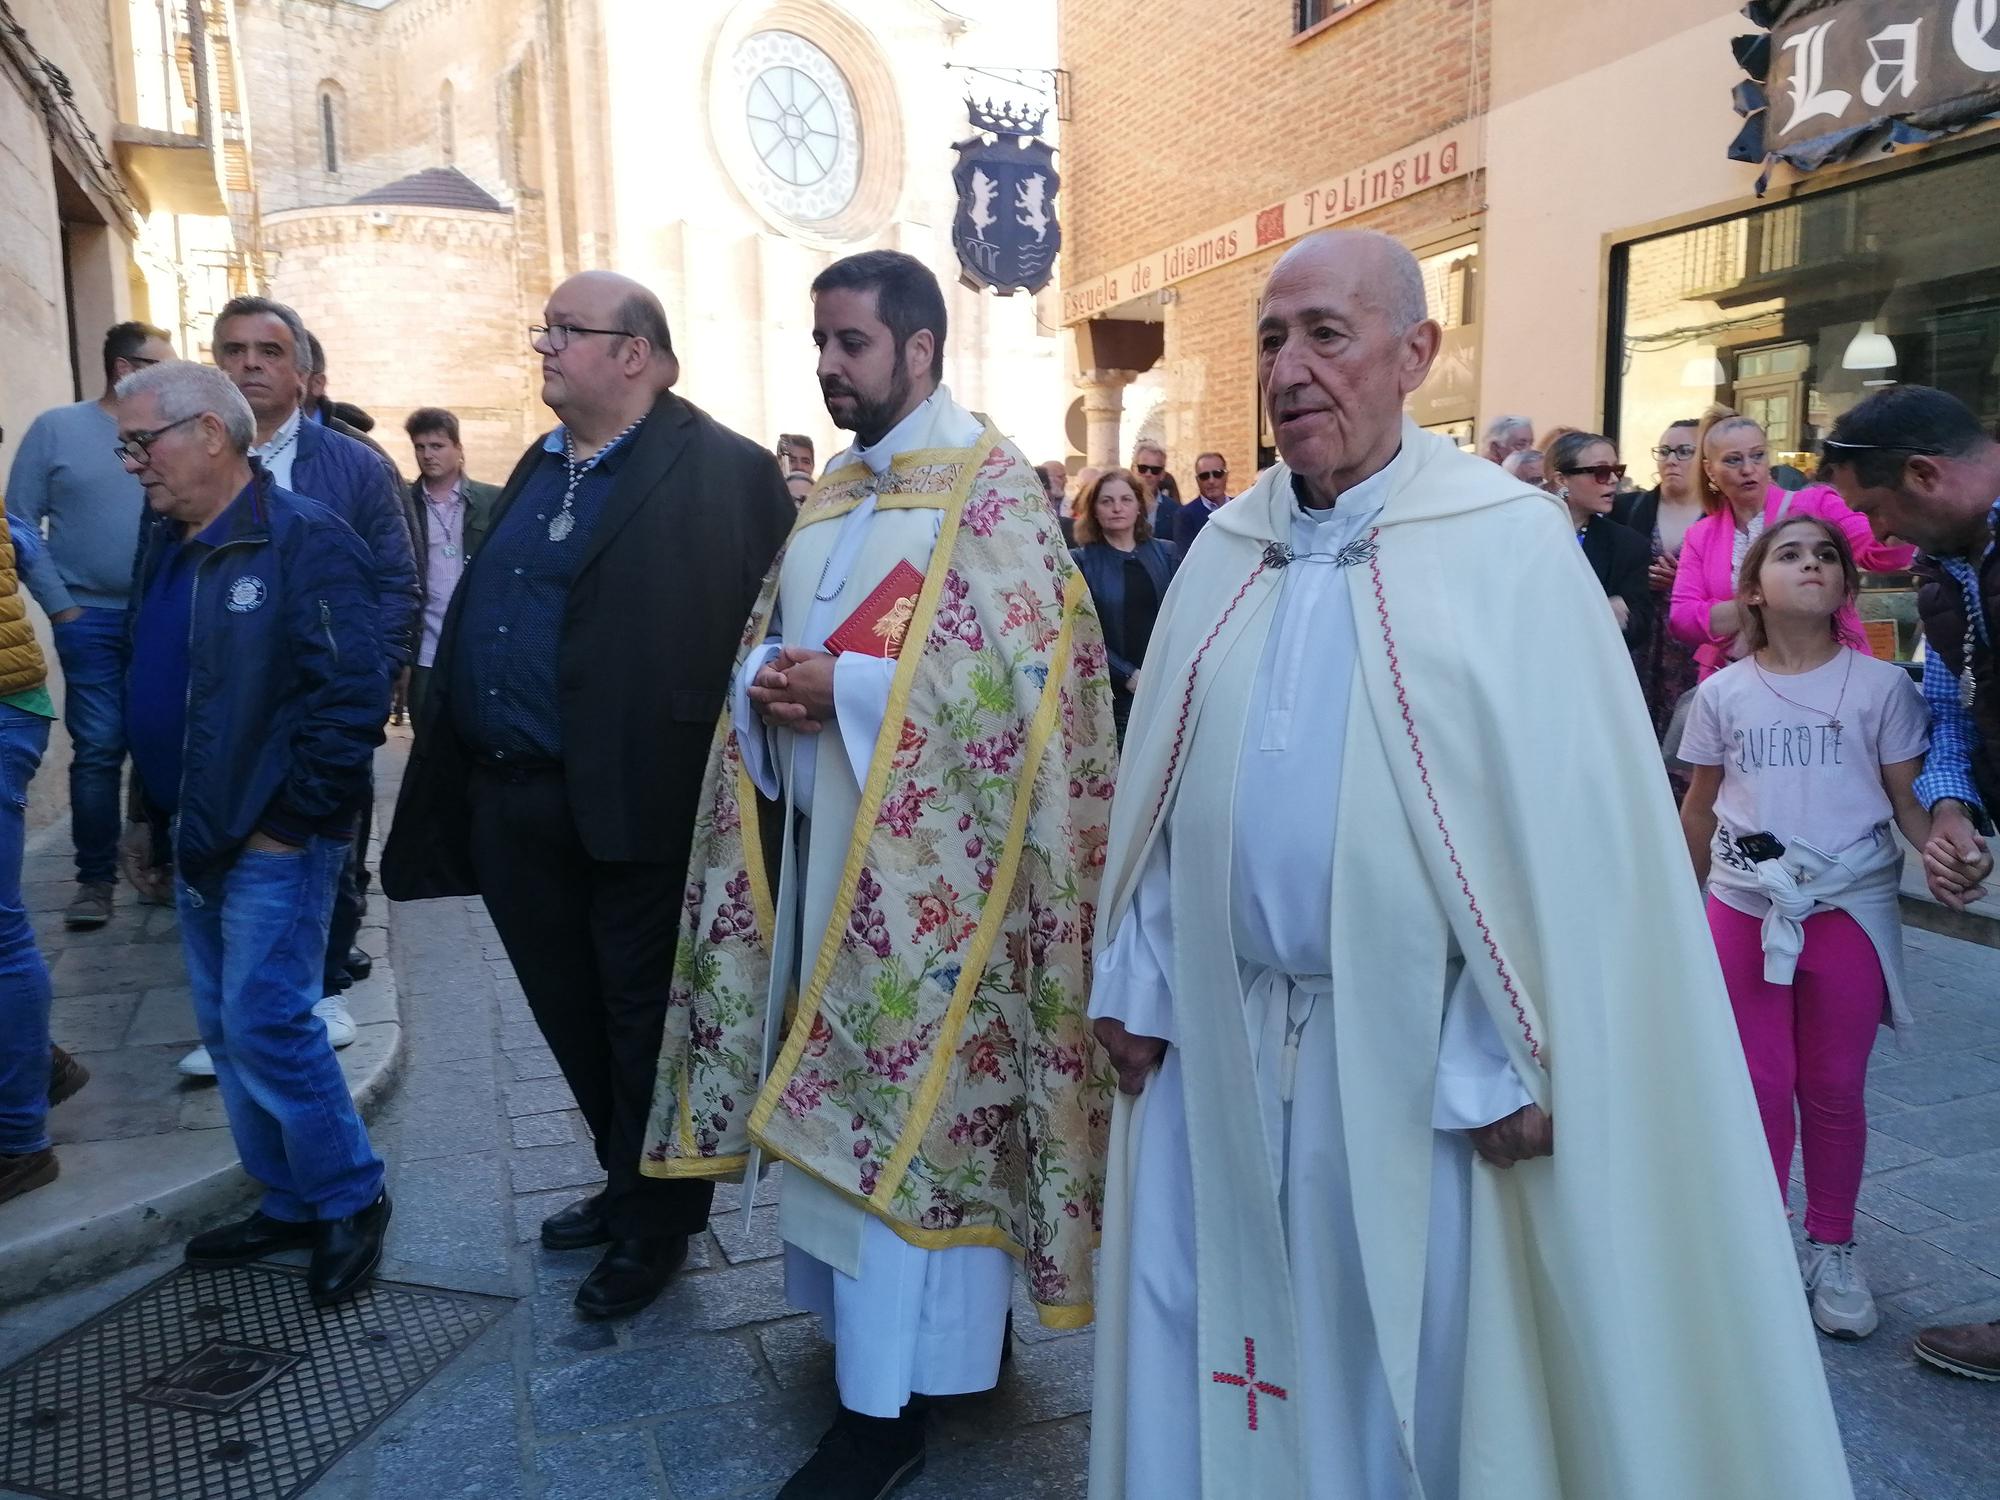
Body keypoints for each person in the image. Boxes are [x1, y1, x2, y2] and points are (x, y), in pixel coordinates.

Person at [1085, 228, 1850, 1499]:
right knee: (1218, 1337)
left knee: (1409, 1367)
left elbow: (1572, 841)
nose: (1290, 368)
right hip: (1222, 1042)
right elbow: (1166, 802)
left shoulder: (1506, 545)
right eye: (1271, 338)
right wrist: (1138, 968)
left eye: (1326, 334)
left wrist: (1517, 1044)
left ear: (1413, 354)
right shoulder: (1224, 548)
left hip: (1412, 1061)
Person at [641, 249, 1115, 1499]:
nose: (827, 365)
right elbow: (769, 648)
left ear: (917, 346)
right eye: (820, 342)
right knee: (847, 1120)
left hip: (936, 913)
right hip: (823, 876)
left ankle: (882, 1412)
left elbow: (1038, 693)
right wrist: (769, 690)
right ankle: (905, 1356)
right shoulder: (834, 494)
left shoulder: (992, 493)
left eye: (850, 343)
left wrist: (845, 688)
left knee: (906, 1126)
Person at [382, 272, 793, 1321]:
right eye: (545, 329)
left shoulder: (726, 469)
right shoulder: (540, 463)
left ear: (638, 354)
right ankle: (624, 1183)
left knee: (639, 1021)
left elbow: (768, 625)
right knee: (566, 1012)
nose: (544, 347)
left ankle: (657, 1225)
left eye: (568, 331)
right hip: (512, 800)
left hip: (640, 802)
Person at [118, 361, 391, 1305]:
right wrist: (145, 817)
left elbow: (353, 696)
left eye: (141, 441)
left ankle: (352, 1197)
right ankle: (288, 1198)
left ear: (210, 434)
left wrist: (290, 825)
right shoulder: (164, 540)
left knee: (273, 1026)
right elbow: (150, 683)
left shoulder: (305, 539)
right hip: (193, 833)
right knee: (229, 1031)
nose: (131, 464)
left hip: (271, 839)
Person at [1677, 515, 1929, 1343]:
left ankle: (1833, 1245)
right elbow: (1702, 804)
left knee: (1832, 1083)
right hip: (1745, 903)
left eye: (1826, 556)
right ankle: (1755, 1247)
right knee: (1757, 1082)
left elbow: (1906, 807)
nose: (1811, 565)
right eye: (1790, 555)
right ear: (1754, 587)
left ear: (1845, 588)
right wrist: (1679, 902)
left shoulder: (1884, 688)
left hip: (1847, 907)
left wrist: (1948, 845)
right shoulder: (1720, 694)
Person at [1817, 382, 2000, 1381]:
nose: (1871, 534)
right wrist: (1949, 811)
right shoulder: (1946, 564)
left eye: (1877, 509)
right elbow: (1946, 703)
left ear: (1925, 475)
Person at [201, 295, 421, 1076]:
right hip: (225, 697)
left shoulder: (355, 467)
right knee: (224, 840)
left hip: (325, 696)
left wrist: (369, 681)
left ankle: (322, 980)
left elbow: (397, 581)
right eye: (233, 351)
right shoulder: (191, 461)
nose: (250, 365)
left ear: (303, 373)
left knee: (327, 832)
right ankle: (242, 999)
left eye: (267, 351)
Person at [6, 320, 175, 931]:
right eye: (163, 363)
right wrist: (63, 610)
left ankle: (165, 864)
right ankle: (94, 882)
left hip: (163, 615)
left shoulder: (167, 432)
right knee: (101, 750)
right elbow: (18, 525)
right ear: (126, 369)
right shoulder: (57, 429)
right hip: (91, 620)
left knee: (170, 741)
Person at [1669, 411, 1910, 684]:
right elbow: (1682, 620)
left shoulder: (1816, 504)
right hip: (1738, 681)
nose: (1748, 469)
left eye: (1757, 455)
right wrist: (1767, 602)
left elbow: (1882, 553)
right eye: (1733, 460)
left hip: (1827, 675)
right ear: (1710, 470)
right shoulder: (1701, 535)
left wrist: (1901, 508)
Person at [0, 459, 69, 1205]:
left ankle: (20, 1140)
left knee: (0, 932)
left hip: (1, 711)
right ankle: (32, 1059)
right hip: (14, 705)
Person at [1612, 420, 1706, 758]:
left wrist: (1686, 579)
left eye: (1684, 452)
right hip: (1638, 641)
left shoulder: (1719, 516)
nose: (1671, 460)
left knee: (1688, 741)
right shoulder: (1628, 509)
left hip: (1693, 650)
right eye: (1664, 451)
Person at [402, 407, 500, 724]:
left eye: (437, 446)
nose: (428, 455)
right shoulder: (402, 503)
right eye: (420, 447)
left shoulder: (492, 501)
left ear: (459, 449)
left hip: (477, 650)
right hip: (425, 651)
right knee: (428, 745)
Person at [1073, 468, 1178, 742]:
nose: (1117, 507)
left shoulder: (1167, 553)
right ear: (1093, 509)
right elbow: (1079, 633)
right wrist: (1126, 674)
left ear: (1139, 506)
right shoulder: (1081, 563)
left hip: (1165, 688)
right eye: (1106, 501)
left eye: (1126, 499)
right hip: (1113, 696)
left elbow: (1184, 618)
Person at [1547, 430, 1650, 647]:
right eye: (1602, 471)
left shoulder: (1627, 545)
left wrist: (1623, 620)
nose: (1613, 480)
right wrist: (1597, 612)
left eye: (1617, 470)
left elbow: (1639, 627)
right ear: (1561, 480)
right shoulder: (1524, 534)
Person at [1173, 452, 1230, 550]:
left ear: (1226, 475)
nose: (1211, 481)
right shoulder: (1185, 516)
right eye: (1204, 476)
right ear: (1197, 480)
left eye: (1217, 474)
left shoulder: (1240, 508)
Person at [1133, 439, 1181, 540]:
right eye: (1143, 468)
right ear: (1133, 469)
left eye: (1155, 470)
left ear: (1162, 475)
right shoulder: (1120, 505)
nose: (1148, 474)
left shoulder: (1174, 510)